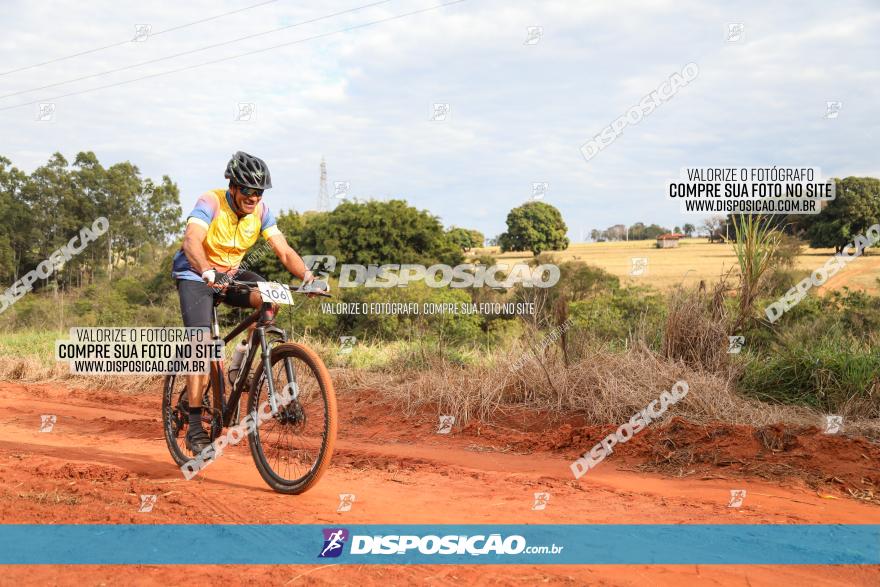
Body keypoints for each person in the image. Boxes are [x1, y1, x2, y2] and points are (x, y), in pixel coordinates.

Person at [171, 151, 314, 453]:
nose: (253, 197)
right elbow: (191, 241)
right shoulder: (210, 201)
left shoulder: (262, 211)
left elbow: (284, 251)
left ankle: (238, 366)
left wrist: (308, 277)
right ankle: (195, 424)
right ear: (233, 186)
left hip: (231, 275)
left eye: (259, 191)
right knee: (202, 344)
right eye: (247, 190)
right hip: (196, 275)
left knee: (269, 298)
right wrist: (207, 270)